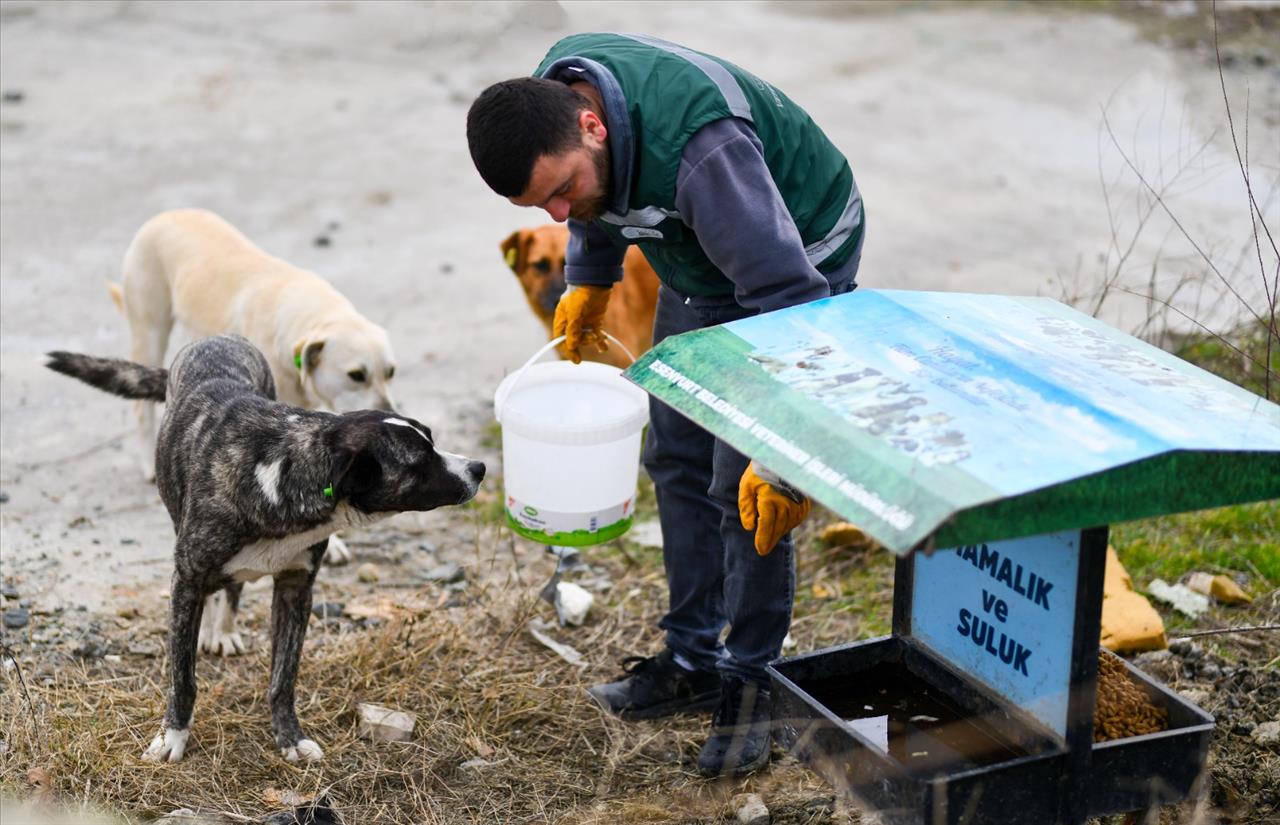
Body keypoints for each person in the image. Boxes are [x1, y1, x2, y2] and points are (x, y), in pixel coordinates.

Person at [466, 32, 865, 778]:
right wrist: (591, 272)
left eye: (562, 192)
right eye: (539, 204)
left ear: (594, 127)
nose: (556, 215)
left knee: (742, 488)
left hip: (796, 258)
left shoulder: (704, 153)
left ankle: (751, 683)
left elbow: (791, 306)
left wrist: (779, 453)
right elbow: (592, 200)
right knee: (675, 452)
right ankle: (691, 656)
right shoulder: (561, 98)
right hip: (699, 261)